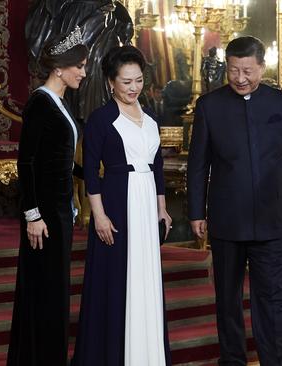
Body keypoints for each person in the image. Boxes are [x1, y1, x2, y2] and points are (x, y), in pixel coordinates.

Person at [187, 36, 282, 365]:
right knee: (227, 299)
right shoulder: (209, 106)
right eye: (233, 71)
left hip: (273, 219)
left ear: (262, 67)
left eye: (248, 71)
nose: (241, 78)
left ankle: (276, 361)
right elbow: (198, 164)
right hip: (227, 221)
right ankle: (232, 361)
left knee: (272, 299)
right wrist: (197, 212)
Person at [72, 45, 172, 366]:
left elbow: (156, 168)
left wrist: (162, 208)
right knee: (114, 282)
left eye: (138, 80)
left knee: (146, 280)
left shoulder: (152, 119)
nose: (133, 88)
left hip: (147, 206)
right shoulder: (101, 120)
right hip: (116, 203)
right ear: (111, 83)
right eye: (126, 82)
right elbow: (90, 172)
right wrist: (98, 216)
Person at [6, 27, 88, 366]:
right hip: (46, 217)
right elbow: (27, 163)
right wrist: (33, 215)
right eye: (79, 66)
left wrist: (98, 177)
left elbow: (61, 162)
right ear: (59, 68)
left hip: (59, 212)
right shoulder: (41, 103)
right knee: (46, 292)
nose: (84, 72)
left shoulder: (59, 102)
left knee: (55, 292)